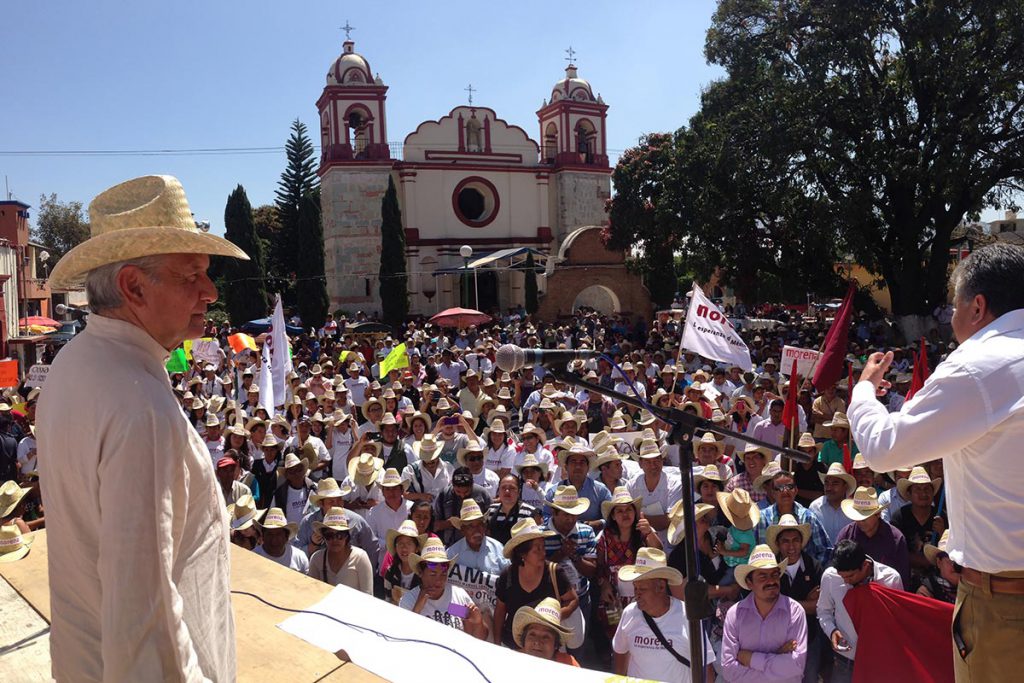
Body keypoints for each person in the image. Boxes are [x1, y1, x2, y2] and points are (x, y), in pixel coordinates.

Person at [37, 175, 248, 681]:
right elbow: (145, 622)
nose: (210, 291)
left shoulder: (74, 363)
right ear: (133, 286)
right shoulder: (139, 407)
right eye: (190, 275)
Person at [848, 244, 1024, 682]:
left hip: (1005, 605)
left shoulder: (977, 367)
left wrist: (864, 392)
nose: (951, 317)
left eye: (954, 306)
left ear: (978, 306)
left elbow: (884, 448)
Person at [612, 547, 716, 681]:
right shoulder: (629, 613)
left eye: (642, 589)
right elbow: (620, 651)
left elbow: (706, 668)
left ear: (661, 587)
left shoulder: (687, 616)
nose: (636, 594)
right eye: (635, 588)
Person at [816, 540, 902, 683]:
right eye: (842, 577)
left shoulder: (891, 579)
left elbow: (898, 622)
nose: (846, 581)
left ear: (865, 565)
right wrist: (832, 631)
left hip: (880, 664)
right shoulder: (830, 577)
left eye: (850, 577)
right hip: (845, 662)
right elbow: (823, 611)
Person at [720, 544, 807, 683]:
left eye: (774, 575)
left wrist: (750, 658)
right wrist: (778, 656)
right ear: (749, 583)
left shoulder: (795, 612)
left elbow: (796, 667)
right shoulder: (735, 615)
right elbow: (729, 670)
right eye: (763, 576)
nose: (771, 581)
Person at [493, 518, 578, 648]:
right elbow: (500, 611)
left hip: (545, 649)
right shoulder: (508, 575)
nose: (543, 553)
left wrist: (555, 616)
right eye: (536, 549)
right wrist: (496, 643)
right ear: (522, 553)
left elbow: (572, 600)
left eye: (543, 547)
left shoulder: (555, 573)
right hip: (511, 646)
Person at [768, 515, 824, 683]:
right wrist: (805, 602)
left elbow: (819, 606)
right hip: (776, 640)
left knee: (810, 678)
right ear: (778, 544)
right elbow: (769, 604)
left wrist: (784, 602)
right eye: (785, 541)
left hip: (810, 637)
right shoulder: (769, 569)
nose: (791, 546)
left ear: (802, 542)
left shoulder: (814, 566)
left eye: (795, 540)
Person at [399, 536, 489, 640]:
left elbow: (479, 638)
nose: (439, 580)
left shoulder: (456, 597)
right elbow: (403, 635)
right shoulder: (409, 601)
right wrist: (418, 606)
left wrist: (477, 622)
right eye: (433, 574)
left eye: (443, 574)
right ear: (420, 572)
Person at [835, 487, 910, 588]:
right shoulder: (845, 535)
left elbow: (903, 579)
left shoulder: (896, 539)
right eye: (857, 517)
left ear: (878, 514)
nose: (860, 522)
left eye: (864, 518)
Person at [888, 466, 946, 590]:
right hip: (906, 580)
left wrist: (943, 533)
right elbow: (896, 551)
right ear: (909, 494)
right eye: (918, 489)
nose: (923, 493)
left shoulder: (941, 516)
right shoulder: (899, 517)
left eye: (927, 489)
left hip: (937, 582)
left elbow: (950, 550)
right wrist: (925, 561)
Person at [308, 507, 373, 593]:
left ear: (347, 536)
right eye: (329, 535)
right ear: (323, 537)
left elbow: (368, 596)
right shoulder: (316, 559)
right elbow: (312, 593)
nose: (335, 540)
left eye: (340, 535)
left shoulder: (360, 558)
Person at [364, 468, 411, 568]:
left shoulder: (411, 509)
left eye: (395, 488)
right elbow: (370, 538)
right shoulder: (374, 512)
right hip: (385, 565)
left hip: (410, 564)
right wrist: (388, 544)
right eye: (387, 489)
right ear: (383, 492)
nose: (391, 492)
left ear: (402, 490)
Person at [513, 597, 580, 667]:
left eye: (546, 637)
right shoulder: (509, 663)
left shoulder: (569, 664)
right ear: (524, 639)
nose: (537, 642)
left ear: (556, 645)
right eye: (532, 634)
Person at [447, 498, 509, 574]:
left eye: (480, 525)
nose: (477, 530)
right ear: (463, 530)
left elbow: (508, 577)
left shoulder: (498, 548)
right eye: (470, 526)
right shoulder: (452, 554)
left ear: (485, 527)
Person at [809, 462, 855, 548]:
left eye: (835, 483)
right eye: (826, 483)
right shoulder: (815, 507)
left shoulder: (853, 510)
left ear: (845, 486)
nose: (829, 488)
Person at [486, 473, 541, 545]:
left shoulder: (531, 513)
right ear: (498, 491)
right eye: (503, 487)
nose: (507, 491)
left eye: (512, 488)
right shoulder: (491, 510)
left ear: (519, 492)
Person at [382, 519, 427, 604]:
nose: (404, 548)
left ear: (417, 548)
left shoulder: (424, 574)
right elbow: (388, 599)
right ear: (395, 547)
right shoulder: (390, 571)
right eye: (400, 543)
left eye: (409, 544)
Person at [254, 507, 310, 573]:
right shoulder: (252, 557)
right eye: (270, 534)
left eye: (278, 534)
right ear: (263, 536)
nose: (274, 540)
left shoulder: (300, 558)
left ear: (286, 537)